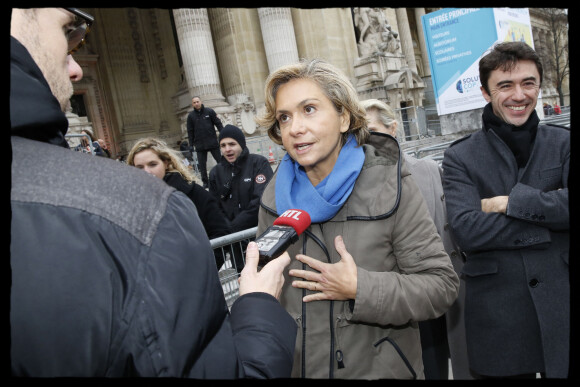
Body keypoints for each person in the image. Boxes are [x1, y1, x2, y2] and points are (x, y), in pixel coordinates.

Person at [11, 7, 297, 378]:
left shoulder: (231, 175)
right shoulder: (147, 213)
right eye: (70, 33)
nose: (76, 67)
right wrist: (257, 305)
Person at [254, 58, 459, 379]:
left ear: (344, 117)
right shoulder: (272, 199)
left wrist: (360, 287)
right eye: (284, 117)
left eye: (309, 109)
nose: (295, 127)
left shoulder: (389, 183)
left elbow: (440, 286)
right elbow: (269, 295)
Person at [441, 41, 569, 378]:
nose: (519, 95)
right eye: (505, 85)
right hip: (499, 321)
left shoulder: (563, 143)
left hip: (564, 309)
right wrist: (550, 219)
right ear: (485, 92)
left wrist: (509, 204)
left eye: (528, 83)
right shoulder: (459, 157)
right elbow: (467, 230)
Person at [361, 98, 473, 380]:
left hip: (441, 293)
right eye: (359, 133)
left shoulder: (428, 169)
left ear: (394, 128)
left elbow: (449, 226)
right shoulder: (355, 187)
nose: (367, 139)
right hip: (396, 302)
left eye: (373, 129)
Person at [127, 137, 232, 268]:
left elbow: (220, 234)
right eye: (139, 167)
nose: (147, 171)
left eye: (152, 164)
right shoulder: (131, 201)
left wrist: (202, 271)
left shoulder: (194, 193)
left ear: (166, 163)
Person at [209, 124, 274, 272]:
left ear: (241, 144)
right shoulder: (215, 173)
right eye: (223, 145)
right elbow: (214, 208)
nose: (227, 149)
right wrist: (228, 232)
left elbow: (261, 200)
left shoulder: (258, 163)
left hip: (259, 237)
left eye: (232, 144)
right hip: (235, 247)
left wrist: (233, 229)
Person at [186, 96, 224, 188]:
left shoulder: (209, 111)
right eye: (194, 102)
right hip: (200, 145)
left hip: (212, 142)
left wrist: (223, 136)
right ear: (192, 104)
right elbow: (190, 131)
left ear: (201, 102)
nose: (196, 103)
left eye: (197, 101)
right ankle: (205, 182)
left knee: (220, 161)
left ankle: (223, 177)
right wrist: (191, 145)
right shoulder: (191, 116)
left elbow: (218, 124)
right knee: (202, 166)